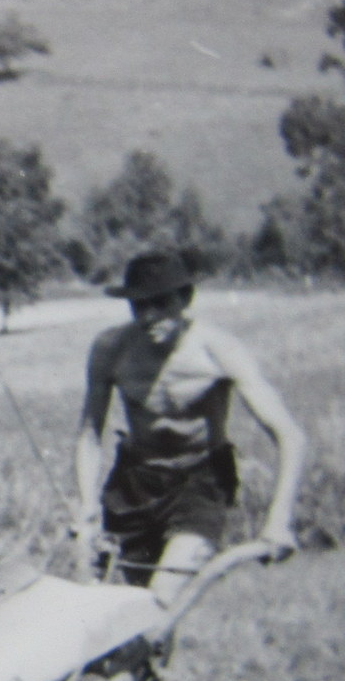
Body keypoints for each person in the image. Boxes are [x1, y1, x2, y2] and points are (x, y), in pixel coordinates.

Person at [73, 250, 307, 602]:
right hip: (134, 485)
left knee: (163, 596)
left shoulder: (218, 350)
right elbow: (90, 433)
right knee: (129, 611)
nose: (149, 316)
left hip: (199, 482)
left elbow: (290, 436)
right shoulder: (110, 349)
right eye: (139, 305)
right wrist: (87, 504)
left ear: (185, 299)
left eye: (161, 303)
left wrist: (278, 519)